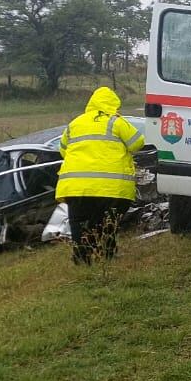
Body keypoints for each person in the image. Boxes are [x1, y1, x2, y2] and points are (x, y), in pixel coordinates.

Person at [55, 86, 144, 264]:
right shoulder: (116, 121)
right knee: (107, 221)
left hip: (75, 187)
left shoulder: (75, 123)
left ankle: (82, 257)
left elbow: (62, 150)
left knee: (78, 221)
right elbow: (137, 143)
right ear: (113, 105)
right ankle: (107, 254)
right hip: (110, 187)